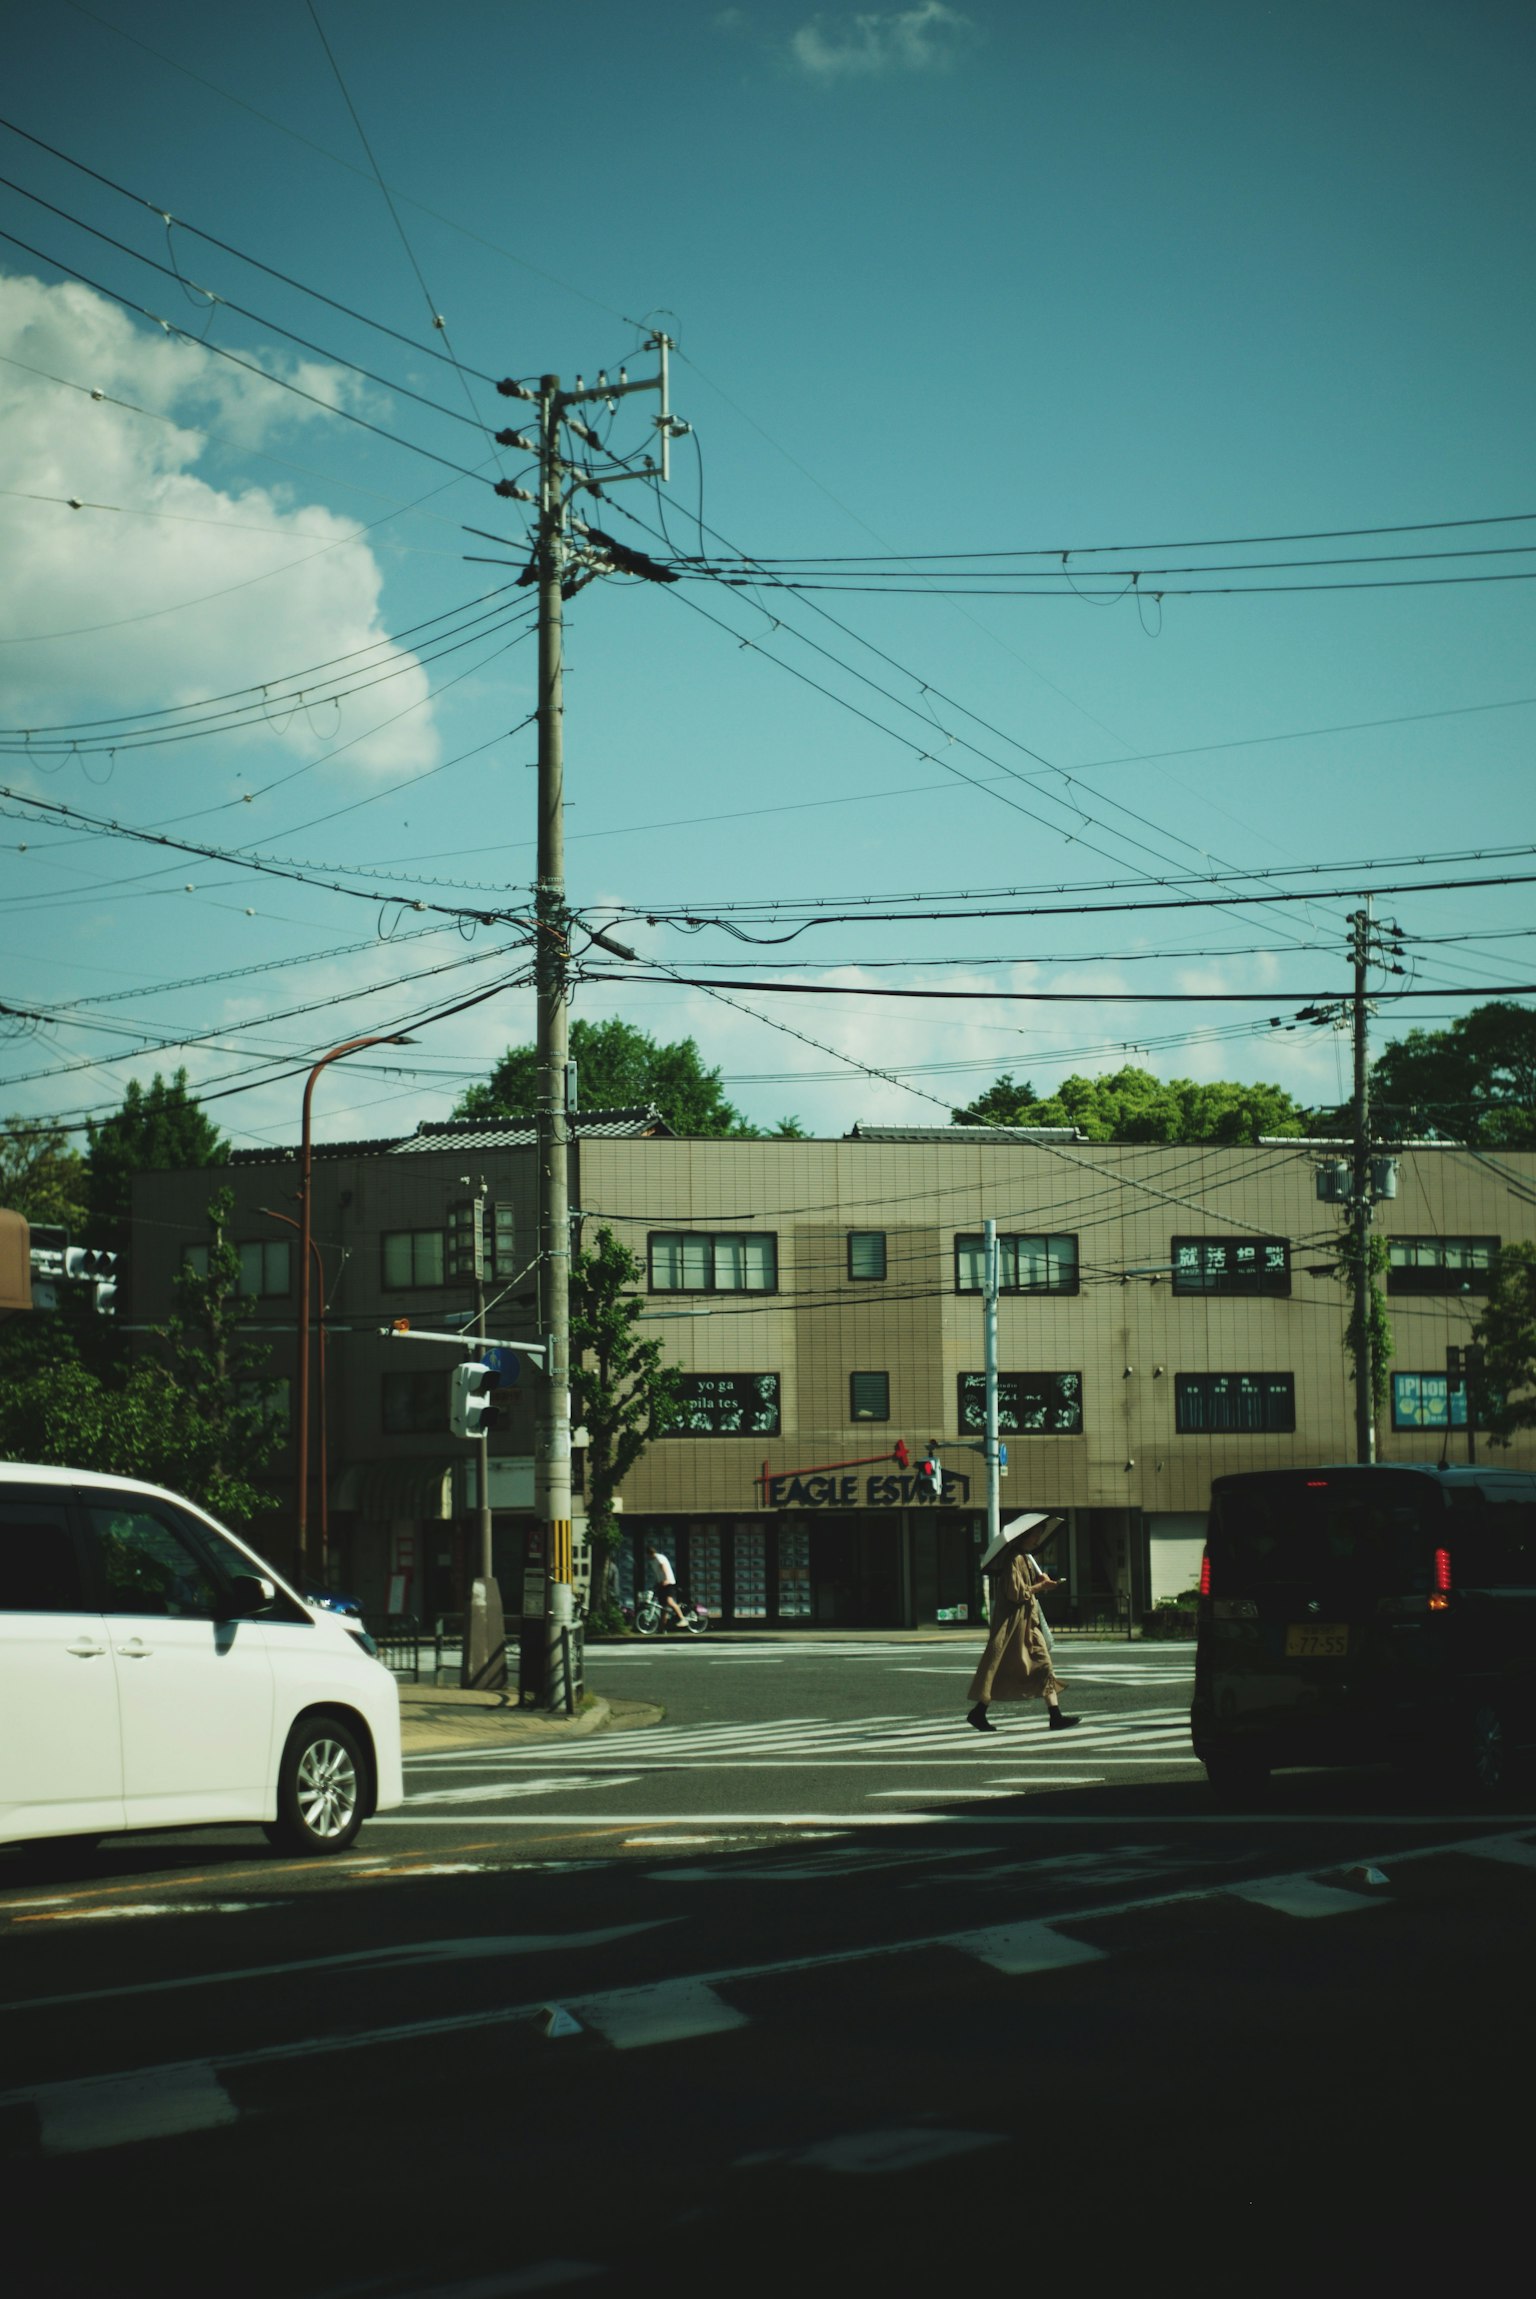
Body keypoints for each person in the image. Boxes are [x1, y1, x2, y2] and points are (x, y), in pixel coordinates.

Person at [966, 1513, 1081, 1733]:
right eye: (1036, 1534)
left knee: (1041, 1664)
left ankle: (1054, 1715)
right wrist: (1041, 1587)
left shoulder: (1024, 1557)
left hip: (1026, 1623)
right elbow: (1016, 1592)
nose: (1038, 1538)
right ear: (1026, 1535)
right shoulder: (1015, 1559)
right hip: (1015, 1625)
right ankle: (979, 1711)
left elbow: (1022, 1589)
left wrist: (1039, 1582)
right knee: (1002, 1667)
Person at [646, 1541, 693, 1632]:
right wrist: (657, 1582)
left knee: (669, 1601)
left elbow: (665, 1568)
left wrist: (666, 1579)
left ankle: (682, 1618)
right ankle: (662, 1628)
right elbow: (657, 1573)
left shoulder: (659, 1558)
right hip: (661, 1583)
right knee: (663, 1607)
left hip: (669, 1583)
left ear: (650, 1553)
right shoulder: (653, 1561)